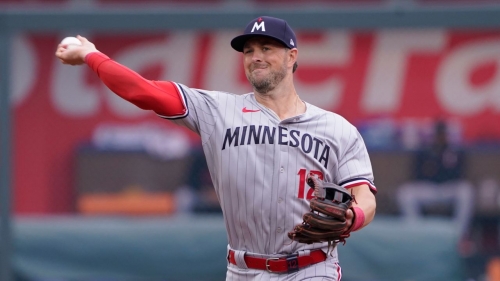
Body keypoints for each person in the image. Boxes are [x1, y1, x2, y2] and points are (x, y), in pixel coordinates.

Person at [56, 16, 377, 280]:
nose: (256, 57)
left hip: (312, 268)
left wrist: (354, 216)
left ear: (292, 56)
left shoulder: (336, 129)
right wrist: (92, 56)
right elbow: (144, 91)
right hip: (244, 270)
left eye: (267, 48)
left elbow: (364, 195)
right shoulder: (216, 111)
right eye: (249, 51)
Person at [397, 120, 474, 240]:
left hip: (448, 189)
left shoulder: (455, 152)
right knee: (405, 192)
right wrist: (434, 169)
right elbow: (416, 175)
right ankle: (416, 234)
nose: (440, 138)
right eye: (438, 135)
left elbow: (460, 175)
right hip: (429, 189)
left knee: (466, 190)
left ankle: (459, 235)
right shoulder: (424, 152)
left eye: (443, 134)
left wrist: (440, 167)